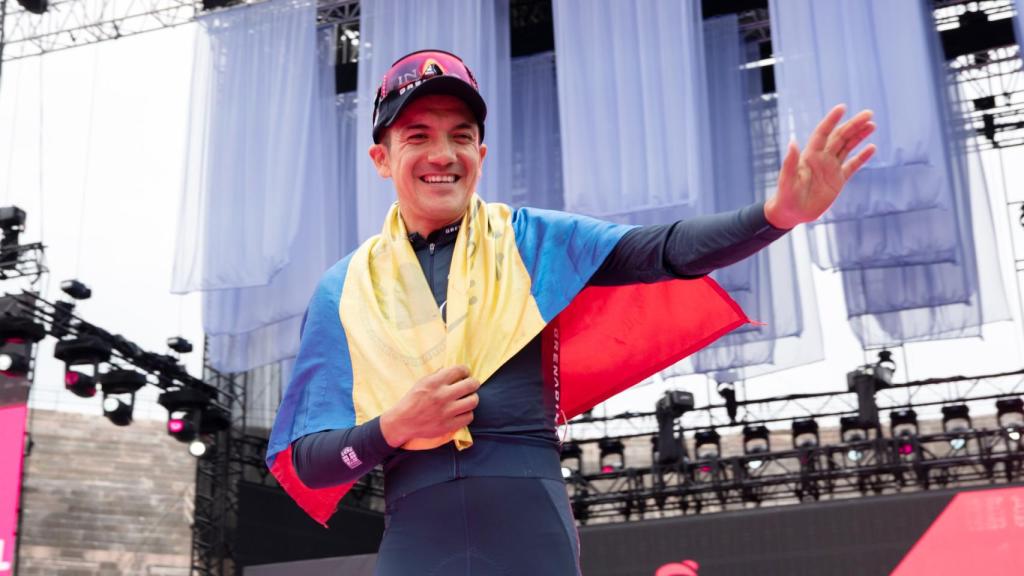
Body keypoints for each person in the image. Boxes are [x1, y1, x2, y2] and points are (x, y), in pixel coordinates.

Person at [266, 49, 876, 575]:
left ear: (482, 150)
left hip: (530, 529)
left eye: (459, 135)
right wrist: (394, 428)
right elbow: (311, 464)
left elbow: (662, 249)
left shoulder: (532, 240)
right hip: (416, 538)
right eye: (418, 135)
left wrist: (774, 217)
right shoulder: (343, 289)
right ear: (381, 158)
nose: (442, 154)